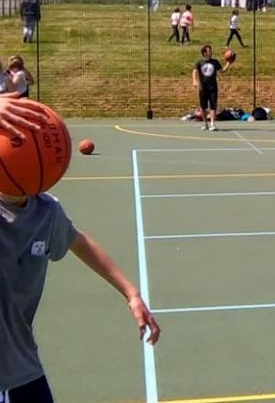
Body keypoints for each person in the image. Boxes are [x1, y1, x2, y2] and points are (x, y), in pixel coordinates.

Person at [0, 101, 161, 402]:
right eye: (15, 139)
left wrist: (131, 293)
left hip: (21, 365)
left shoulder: (46, 213)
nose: (20, 144)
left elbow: (78, 242)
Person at [192, 44, 232, 131]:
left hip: (213, 87)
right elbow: (194, 71)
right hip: (203, 88)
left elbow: (222, 71)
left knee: (213, 106)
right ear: (204, 53)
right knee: (203, 107)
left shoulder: (215, 62)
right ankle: (205, 124)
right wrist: (194, 80)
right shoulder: (199, 62)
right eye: (209, 51)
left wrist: (228, 64)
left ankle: (212, 124)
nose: (211, 52)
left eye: (211, 51)